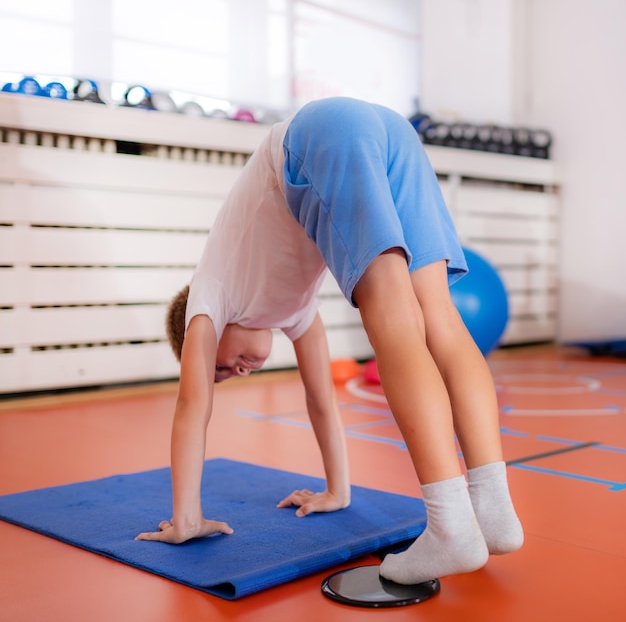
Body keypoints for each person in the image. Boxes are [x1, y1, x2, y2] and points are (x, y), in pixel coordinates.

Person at [135, 97, 523, 585]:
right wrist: (337, 490)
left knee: (394, 315)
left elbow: (193, 407)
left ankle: (450, 525)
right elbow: (320, 401)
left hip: (317, 136)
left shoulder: (207, 300)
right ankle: (493, 509)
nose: (232, 372)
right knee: (439, 315)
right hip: (388, 129)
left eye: (218, 366)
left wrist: (185, 519)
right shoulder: (293, 312)